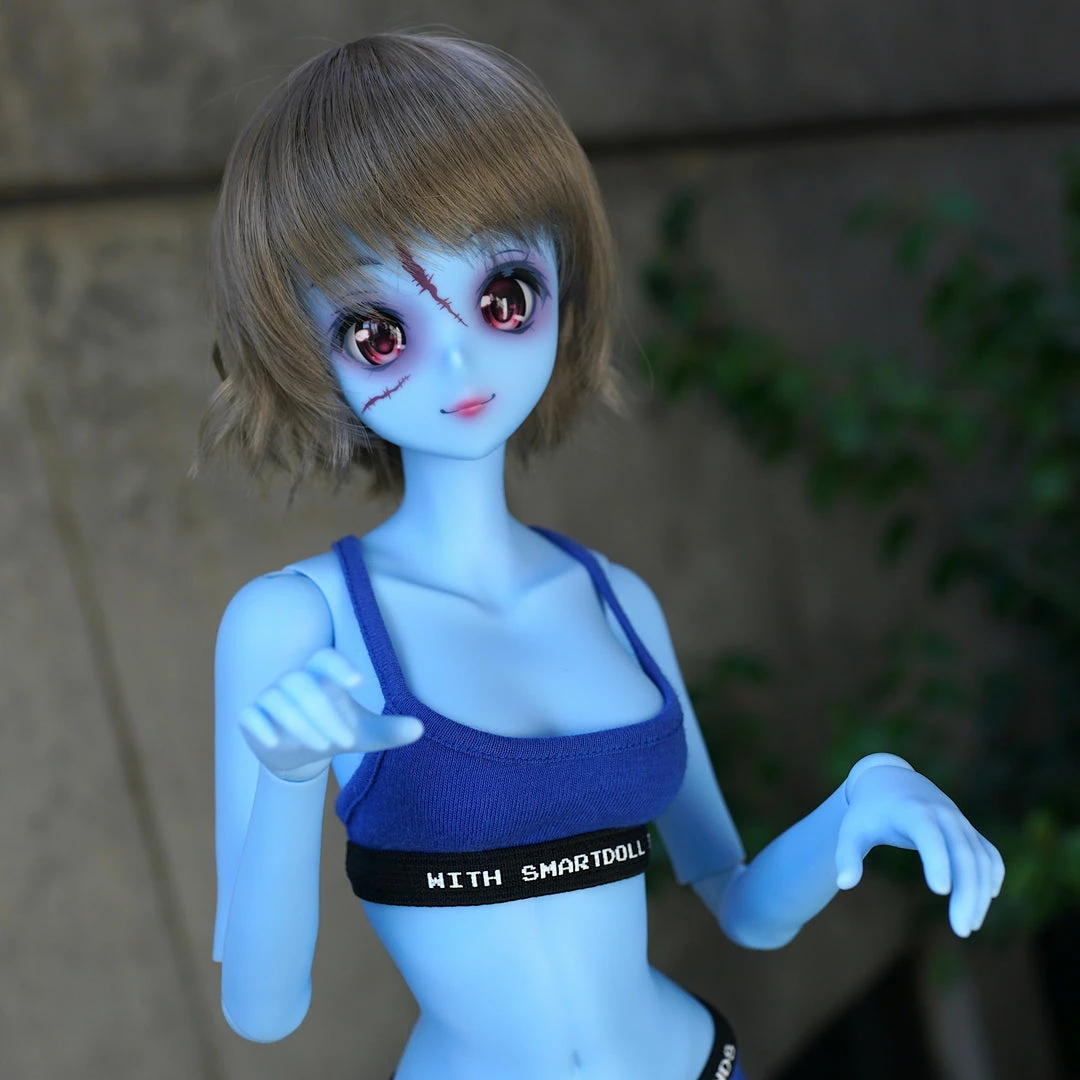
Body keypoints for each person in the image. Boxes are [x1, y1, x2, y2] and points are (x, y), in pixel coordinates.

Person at [203, 32, 1004, 1080]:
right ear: (304, 349)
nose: (461, 360)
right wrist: (289, 780)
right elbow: (263, 1012)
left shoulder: (614, 599)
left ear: (562, 280)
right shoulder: (296, 624)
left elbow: (743, 906)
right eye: (377, 332)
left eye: (503, 296)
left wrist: (860, 804)